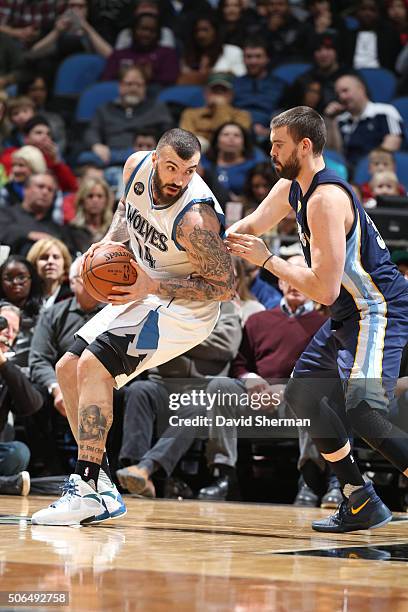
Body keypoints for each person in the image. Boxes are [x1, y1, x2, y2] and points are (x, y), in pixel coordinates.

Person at [31, 127, 235, 526]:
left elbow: (225, 288)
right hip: (146, 286)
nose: (179, 178)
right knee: (67, 368)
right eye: (172, 167)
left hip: (185, 308)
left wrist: (151, 284)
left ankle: (87, 486)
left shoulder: (196, 217)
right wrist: (109, 243)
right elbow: (127, 212)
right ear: (155, 157)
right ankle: (102, 486)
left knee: (94, 366)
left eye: (189, 170)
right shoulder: (134, 167)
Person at [226, 105, 408, 533]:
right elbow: (251, 225)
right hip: (347, 313)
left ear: (304, 146)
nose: (270, 152)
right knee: (304, 394)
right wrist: (206, 241)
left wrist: (268, 260)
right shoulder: (292, 186)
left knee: (364, 410)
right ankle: (358, 498)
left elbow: (323, 290)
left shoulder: (326, 199)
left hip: (377, 309)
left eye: (278, 144)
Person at [80, 66, 173, 168]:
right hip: (111, 158)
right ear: (120, 86)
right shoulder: (104, 109)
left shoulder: (157, 108)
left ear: (145, 87)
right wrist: (96, 145)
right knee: (86, 158)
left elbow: (169, 135)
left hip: (146, 160)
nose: (133, 88)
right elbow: (92, 131)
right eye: (129, 84)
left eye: (138, 85)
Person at [0, 301, 43, 495]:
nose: (8, 333)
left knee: (18, 453)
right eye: (3, 324)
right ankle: (7, 485)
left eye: (14, 330)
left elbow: (32, 404)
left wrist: (4, 365)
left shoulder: (8, 371)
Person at [325, 73, 404, 168]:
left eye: (345, 91)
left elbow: (393, 143)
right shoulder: (340, 120)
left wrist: (365, 167)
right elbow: (334, 153)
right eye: (338, 94)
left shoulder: (384, 111)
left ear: (361, 89)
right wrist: (332, 121)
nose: (342, 97)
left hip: (376, 169)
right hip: (346, 172)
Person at [179, 73, 252, 152]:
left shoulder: (242, 115)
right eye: (215, 91)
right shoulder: (190, 113)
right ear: (206, 94)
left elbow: (233, 140)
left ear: (231, 95)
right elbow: (187, 142)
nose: (218, 96)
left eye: (222, 91)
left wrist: (221, 108)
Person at [26, 238, 72, 309]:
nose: (50, 261)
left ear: (65, 265)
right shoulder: (26, 296)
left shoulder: (73, 296)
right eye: (44, 257)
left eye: (56, 257)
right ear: (34, 265)